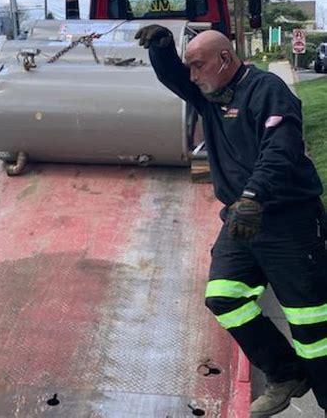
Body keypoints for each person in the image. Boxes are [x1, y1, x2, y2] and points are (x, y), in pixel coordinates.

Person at [135, 25, 327, 417]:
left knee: (312, 326)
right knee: (224, 296)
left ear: (225, 59)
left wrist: (253, 197)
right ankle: (285, 372)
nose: (192, 76)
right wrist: (163, 51)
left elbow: (281, 149)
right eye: (189, 67)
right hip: (241, 221)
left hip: (289, 221)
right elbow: (177, 77)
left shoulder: (267, 90)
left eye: (198, 65)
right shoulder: (210, 95)